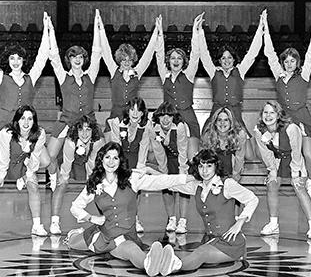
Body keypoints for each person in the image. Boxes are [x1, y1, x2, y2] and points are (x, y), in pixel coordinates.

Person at [66, 141, 193, 277]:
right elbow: (75, 207)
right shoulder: (95, 183)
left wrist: (186, 178)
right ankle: (75, 233)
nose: (111, 162)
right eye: (107, 157)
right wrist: (92, 218)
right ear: (101, 159)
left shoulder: (132, 179)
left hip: (126, 236)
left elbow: (160, 181)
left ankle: (152, 264)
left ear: (120, 161)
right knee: (72, 243)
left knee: (131, 249)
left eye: (115, 158)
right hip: (104, 236)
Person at [143, 149, 259, 276]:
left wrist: (240, 222)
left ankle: (170, 265)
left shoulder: (227, 184)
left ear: (216, 166)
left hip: (231, 244)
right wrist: (152, 172)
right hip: (211, 240)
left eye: (209, 166)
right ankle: (160, 264)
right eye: (201, 166)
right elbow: (171, 184)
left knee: (201, 253)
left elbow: (252, 199)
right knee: (201, 252)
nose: (204, 171)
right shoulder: (197, 186)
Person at [262, 7, 311, 202]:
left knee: (308, 154)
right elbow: (269, 53)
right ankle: (275, 176)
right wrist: (264, 27)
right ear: (282, 63)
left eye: (293, 61)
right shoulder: (278, 74)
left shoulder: (304, 74)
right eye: (286, 61)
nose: (289, 64)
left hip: (302, 117)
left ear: (297, 62)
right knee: (282, 153)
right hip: (284, 121)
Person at [46, 10, 102, 190]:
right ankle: (54, 179)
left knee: (100, 152)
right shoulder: (63, 77)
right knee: (50, 156)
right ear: (69, 59)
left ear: (83, 59)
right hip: (66, 121)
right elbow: (53, 56)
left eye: (80, 57)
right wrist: (50, 31)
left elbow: (97, 53)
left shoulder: (90, 76)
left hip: (88, 122)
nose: (77, 60)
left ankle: (97, 183)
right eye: (73, 56)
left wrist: (98, 27)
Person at [198, 10, 266, 159]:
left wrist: (261, 27)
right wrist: (200, 32)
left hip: (235, 114)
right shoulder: (213, 72)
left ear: (234, 59)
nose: (226, 60)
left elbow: (253, 52)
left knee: (249, 155)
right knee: (209, 150)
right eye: (223, 58)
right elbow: (203, 54)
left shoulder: (240, 71)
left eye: (229, 57)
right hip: (216, 114)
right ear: (219, 60)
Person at [254, 101, 311, 239]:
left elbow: (296, 151)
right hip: (277, 159)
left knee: (298, 187)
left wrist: (295, 173)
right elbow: (265, 153)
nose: (268, 115)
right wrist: (272, 170)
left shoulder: (291, 128)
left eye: (272, 112)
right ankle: (273, 224)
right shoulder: (259, 131)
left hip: (293, 159)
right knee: (271, 185)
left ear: (278, 115)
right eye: (265, 112)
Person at [99, 12, 161, 141]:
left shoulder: (137, 72)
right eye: (123, 59)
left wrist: (156, 31)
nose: (126, 62)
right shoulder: (113, 70)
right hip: (115, 116)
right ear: (119, 60)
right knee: (110, 146)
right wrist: (100, 28)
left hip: (132, 116)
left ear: (133, 60)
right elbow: (105, 49)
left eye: (129, 60)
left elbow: (149, 53)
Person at [155, 14, 203, 159]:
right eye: (173, 58)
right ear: (168, 61)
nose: (176, 61)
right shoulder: (164, 75)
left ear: (183, 61)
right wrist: (159, 33)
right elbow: (159, 54)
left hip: (188, 116)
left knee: (193, 155)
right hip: (168, 118)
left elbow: (195, 54)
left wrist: (195, 32)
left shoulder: (188, 74)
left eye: (179, 58)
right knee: (168, 154)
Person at [49, 115, 105, 235]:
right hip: (71, 160)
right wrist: (63, 179)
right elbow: (67, 163)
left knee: (100, 186)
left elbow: (92, 166)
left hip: (93, 163)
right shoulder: (70, 142)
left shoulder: (98, 142)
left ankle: (107, 219)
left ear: (92, 131)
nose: (84, 134)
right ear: (76, 131)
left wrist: (94, 183)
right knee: (62, 182)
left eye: (88, 129)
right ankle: (54, 221)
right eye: (81, 130)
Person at [0, 105, 49, 236]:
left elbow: (35, 156)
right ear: (17, 120)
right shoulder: (6, 133)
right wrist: (1, 175)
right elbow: (4, 157)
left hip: (24, 163)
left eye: (30, 119)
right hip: (7, 161)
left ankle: (37, 225)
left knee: (33, 185)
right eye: (22, 118)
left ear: (34, 121)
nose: (26, 123)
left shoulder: (40, 133)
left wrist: (28, 174)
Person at [107, 96, 152, 233]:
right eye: (132, 109)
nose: (135, 113)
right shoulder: (116, 122)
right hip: (121, 158)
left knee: (134, 191)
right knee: (117, 189)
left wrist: (140, 168)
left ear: (143, 113)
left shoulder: (147, 125)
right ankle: (116, 219)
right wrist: (117, 166)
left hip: (136, 158)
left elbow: (144, 146)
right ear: (128, 110)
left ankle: (134, 218)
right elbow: (115, 146)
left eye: (139, 110)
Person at [0, 12, 50, 129]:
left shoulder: (31, 77)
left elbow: (43, 56)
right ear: (7, 60)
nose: (16, 62)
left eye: (19, 58)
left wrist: (46, 30)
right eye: (12, 58)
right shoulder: (2, 77)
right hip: (3, 127)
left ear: (24, 60)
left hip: (25, 128)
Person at [150, 101, 190, 234]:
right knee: (166, 189)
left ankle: (183, 221)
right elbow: (159, 152)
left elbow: (183, 150)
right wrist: (163, 172)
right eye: (162, 116)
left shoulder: (180, 127)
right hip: (166, 160)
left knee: (184, 189)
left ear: (174, 117)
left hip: (180, 159)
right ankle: (172, 219)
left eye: (169, 115)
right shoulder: (154, 129)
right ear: (158, 117)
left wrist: (182, 171)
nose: (166, 119)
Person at [201, 106, 246, 182]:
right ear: (215, 122)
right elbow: (204, 160)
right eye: (219, 120)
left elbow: (240, 158)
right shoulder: (208, 135)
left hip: (231, 171)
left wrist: (234, 176)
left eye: (226, 120)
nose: (222, 123)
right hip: (211, 172)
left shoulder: (239, 135)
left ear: (231, 122)